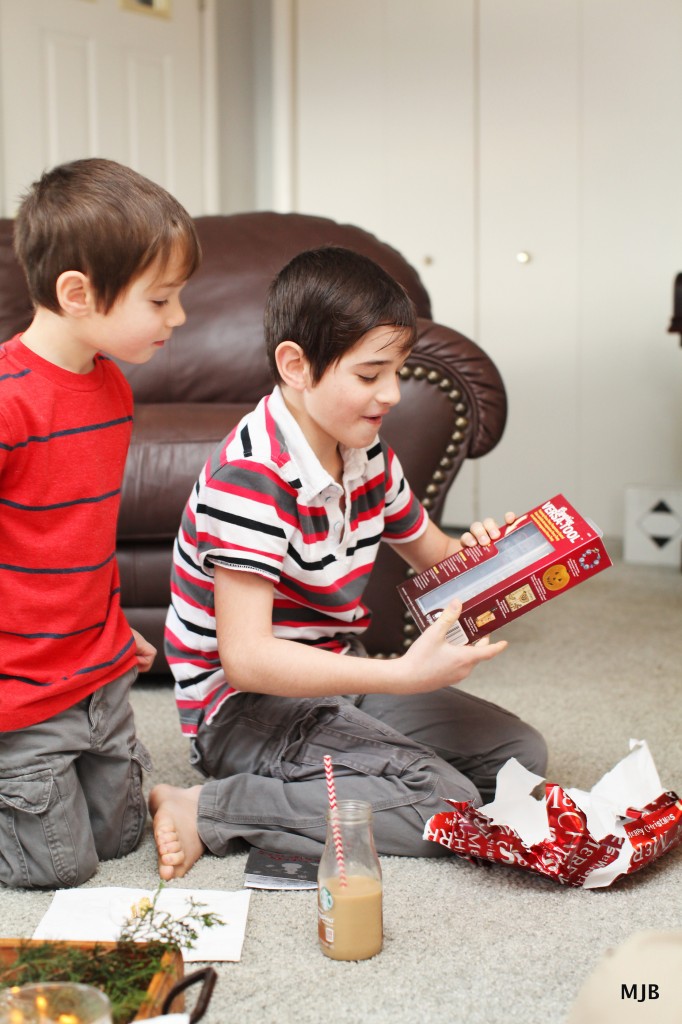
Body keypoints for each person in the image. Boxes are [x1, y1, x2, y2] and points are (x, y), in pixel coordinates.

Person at [151, 246, 547, 879]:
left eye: (399, 371)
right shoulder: (252, 477)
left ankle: (357, 760)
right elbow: (246, 659)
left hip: (338, 678)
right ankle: (210, 807)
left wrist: (507, 556)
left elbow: (439, 559)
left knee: (519, 757)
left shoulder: (367, 456)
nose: (391, 393)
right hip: (243, 710)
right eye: (370, 376)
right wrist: (404, 676)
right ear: (296, 365)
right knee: (447, 803)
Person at [0, 157, 200, 888]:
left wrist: (114, 630)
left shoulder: (112, 387)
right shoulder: (8, 400)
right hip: (18, 689)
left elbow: (78, 541)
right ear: (77, 294)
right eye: (162, 299)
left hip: (97, 674)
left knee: (119, 844)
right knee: (57, 870)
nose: (177, 319)